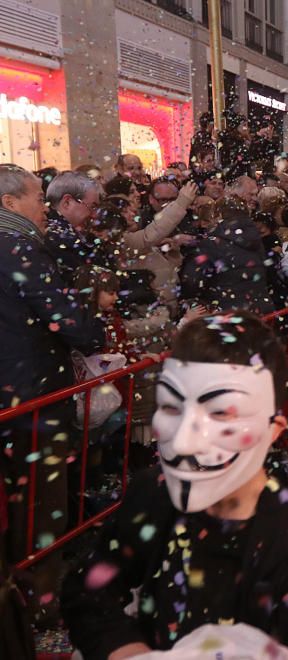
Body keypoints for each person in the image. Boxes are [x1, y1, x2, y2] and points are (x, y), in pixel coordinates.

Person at [61, 313, 288, 658]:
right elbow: (88, 591)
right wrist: (127, 651)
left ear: (273, 430)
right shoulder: (154, 495)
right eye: (172, 408)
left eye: (220, 414)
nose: (186, 440)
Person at [0, 164, 106, 565]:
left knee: (15, 498)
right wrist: (91, 329)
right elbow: (68, 319)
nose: (45, 206)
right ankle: (43, 588)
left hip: (12, 391)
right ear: (9, 202)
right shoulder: (20, 247)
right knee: (42, 498)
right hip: (33, 393)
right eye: (36, 197)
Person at [44, 170, 103, 281]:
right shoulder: (59, 240)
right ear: (67, 202)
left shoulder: (63, 233)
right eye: (92, 207)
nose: (95, 215)